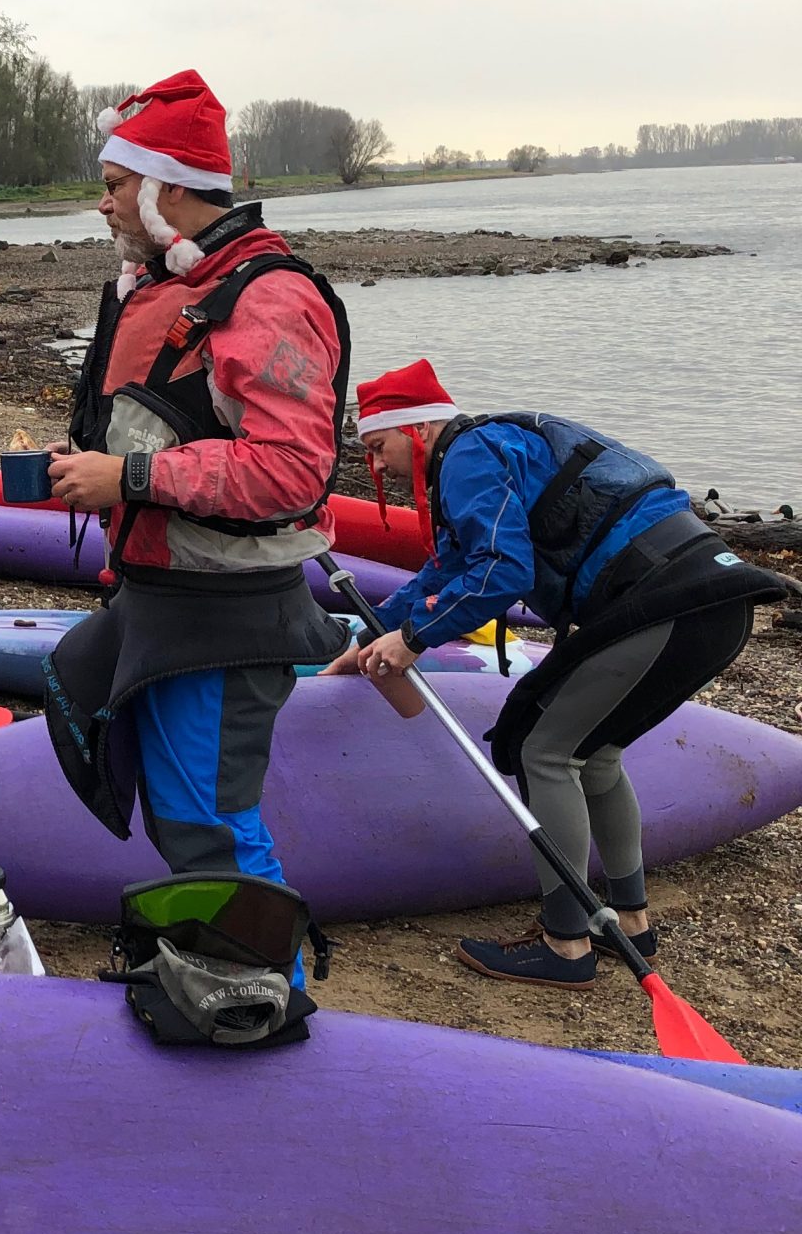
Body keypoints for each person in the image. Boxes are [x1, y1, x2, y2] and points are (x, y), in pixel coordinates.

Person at [329, 359, 790, 988]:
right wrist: (368, 633)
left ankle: (565, 944)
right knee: (595, 757)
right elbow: (449, 573)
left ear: (420, 429)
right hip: (719, 604)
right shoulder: (498, 448)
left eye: (379, 446)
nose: (375, 465)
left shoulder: (467, 456)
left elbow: (503, 572)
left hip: (665, 608)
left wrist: (413, 641)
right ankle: (631, 924)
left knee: (543, 752)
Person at [44, 71, 350, 897]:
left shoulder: (266, 298)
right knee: (184, 818)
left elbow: (292, 471)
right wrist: (96, 463)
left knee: (210, 824)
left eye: (116, 186)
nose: (103, 204)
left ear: (168, 188)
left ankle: (263, 971)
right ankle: (215, 957)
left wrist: (128, 475)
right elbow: (179, 421)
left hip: (226, 616)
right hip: (168, 600)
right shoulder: (175, 283)